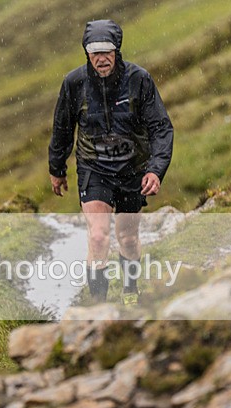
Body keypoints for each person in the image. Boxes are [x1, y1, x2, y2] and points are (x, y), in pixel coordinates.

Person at [48, 19, 173, 306]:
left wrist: (156, 169)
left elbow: (161, 128)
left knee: (127, 237)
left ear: (117, 51)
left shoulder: (139, 80)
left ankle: (130, 291)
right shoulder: (74, 83)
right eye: (95, 52)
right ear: (86, 54)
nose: (101, 58)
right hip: (94, 168)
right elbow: (62, 128)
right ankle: (98, 307)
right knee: (100, 235)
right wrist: (57, 169)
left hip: (132, 169)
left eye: (107, 51)